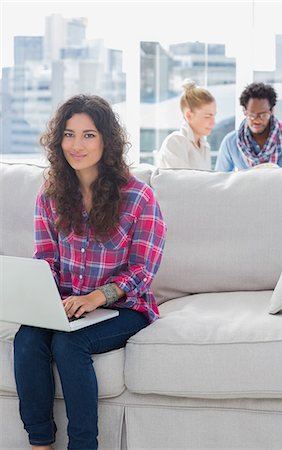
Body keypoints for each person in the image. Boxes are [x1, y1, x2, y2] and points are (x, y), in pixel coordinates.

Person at [13, 94, 167, 450]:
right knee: (28, 339)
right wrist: (38, 297)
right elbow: (47, 259)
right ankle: (40, 444)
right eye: (69, 134)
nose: (76, 145)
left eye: (88, 135)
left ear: (106, 140)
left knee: (69, 344)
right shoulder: (50, 194)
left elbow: (143, 270)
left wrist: (98, 297)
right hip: (68, 305)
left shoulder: (139, 197)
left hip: (124, 308)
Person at [215, 82, 282, 171]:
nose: (257, 120)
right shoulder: (230, 142)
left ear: (272, 110)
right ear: (244, 111)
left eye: (263, 115)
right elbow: (220, 179)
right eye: (252, 115)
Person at [156, 79, 216, 169]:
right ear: (188, 115)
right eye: (207, 116)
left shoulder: (205, 147)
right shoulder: (175, 142)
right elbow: (182, 182)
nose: (213, 122)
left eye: (214, 116)